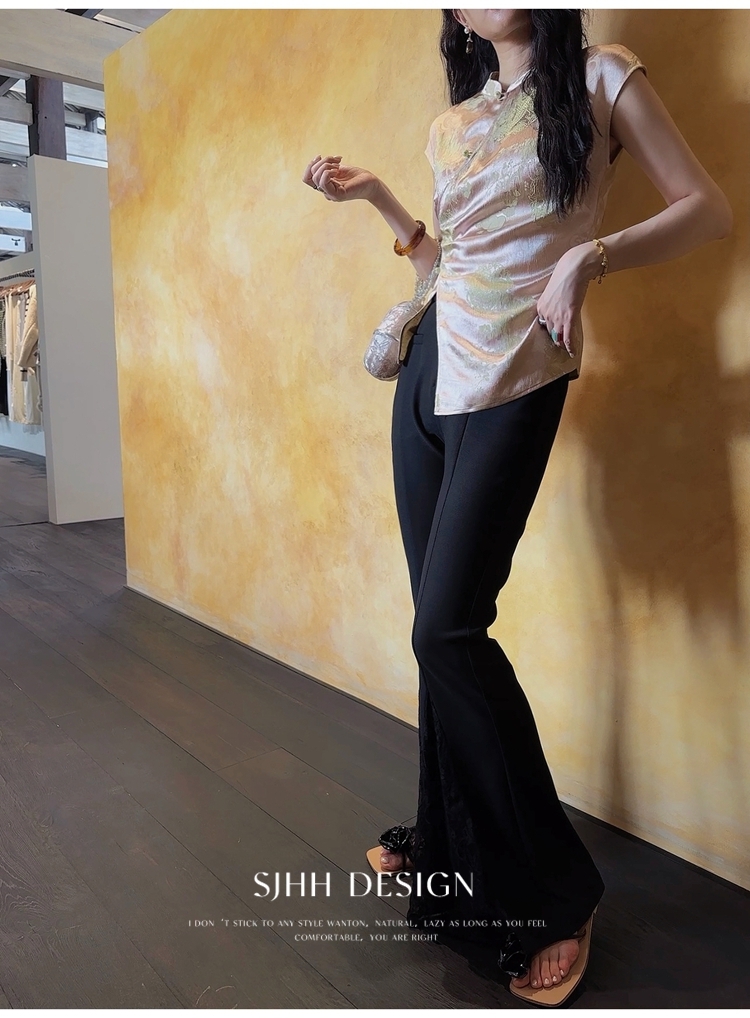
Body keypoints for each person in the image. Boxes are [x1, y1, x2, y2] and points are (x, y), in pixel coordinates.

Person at [303, 9, 732, 1006]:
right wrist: (380, 200)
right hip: (429, 375)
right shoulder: (453, 122)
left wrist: (590, 257)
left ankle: (555, 895)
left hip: (517, 374)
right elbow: (446, 265)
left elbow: (707, 209)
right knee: (436, 629)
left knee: (448, 629)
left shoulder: (602, 79)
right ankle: (447, 842)